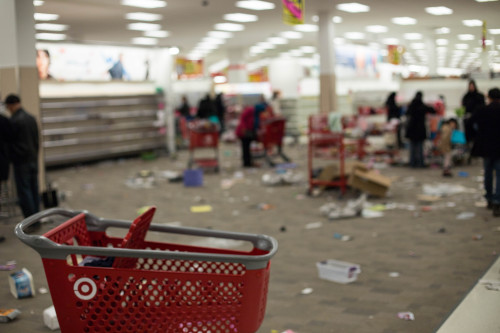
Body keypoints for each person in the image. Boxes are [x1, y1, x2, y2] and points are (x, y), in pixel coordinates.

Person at [4, 94, 40, 219]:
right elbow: (36, 140)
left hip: (21, 161)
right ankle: (37, 218)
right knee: (34, 189)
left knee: (25, 192)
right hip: (33, 158)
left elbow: (11, 143)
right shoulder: (31, 118)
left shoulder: (14, 121)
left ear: (11, 105)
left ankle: (30, 221)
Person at [470, 87, 500, 216]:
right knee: (499, 176)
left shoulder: (482, 110)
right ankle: (498, 201)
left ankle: (489, 198)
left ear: (489, 97)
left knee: (488, 174)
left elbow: (471, 122)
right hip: (499, 148)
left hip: (486, 148)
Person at [405, 91, 435, 168]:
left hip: (411, 129)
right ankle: (420, 163)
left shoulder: (411, 105)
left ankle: (412, 163)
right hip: (420, 130)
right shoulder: (422, 105)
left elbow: (406, 113)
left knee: (412, 148)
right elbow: (433, 110)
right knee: (420, 148)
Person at [462, 80, 485, 162]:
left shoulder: (479, 96)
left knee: (477, 137)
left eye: (472, 86)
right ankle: (470, 154)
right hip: (468, 121)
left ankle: (476, 153)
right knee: (469, 138)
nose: (471, 87)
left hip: (477, 120)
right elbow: (463, 107)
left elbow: (482, 108)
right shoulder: (466, 96)